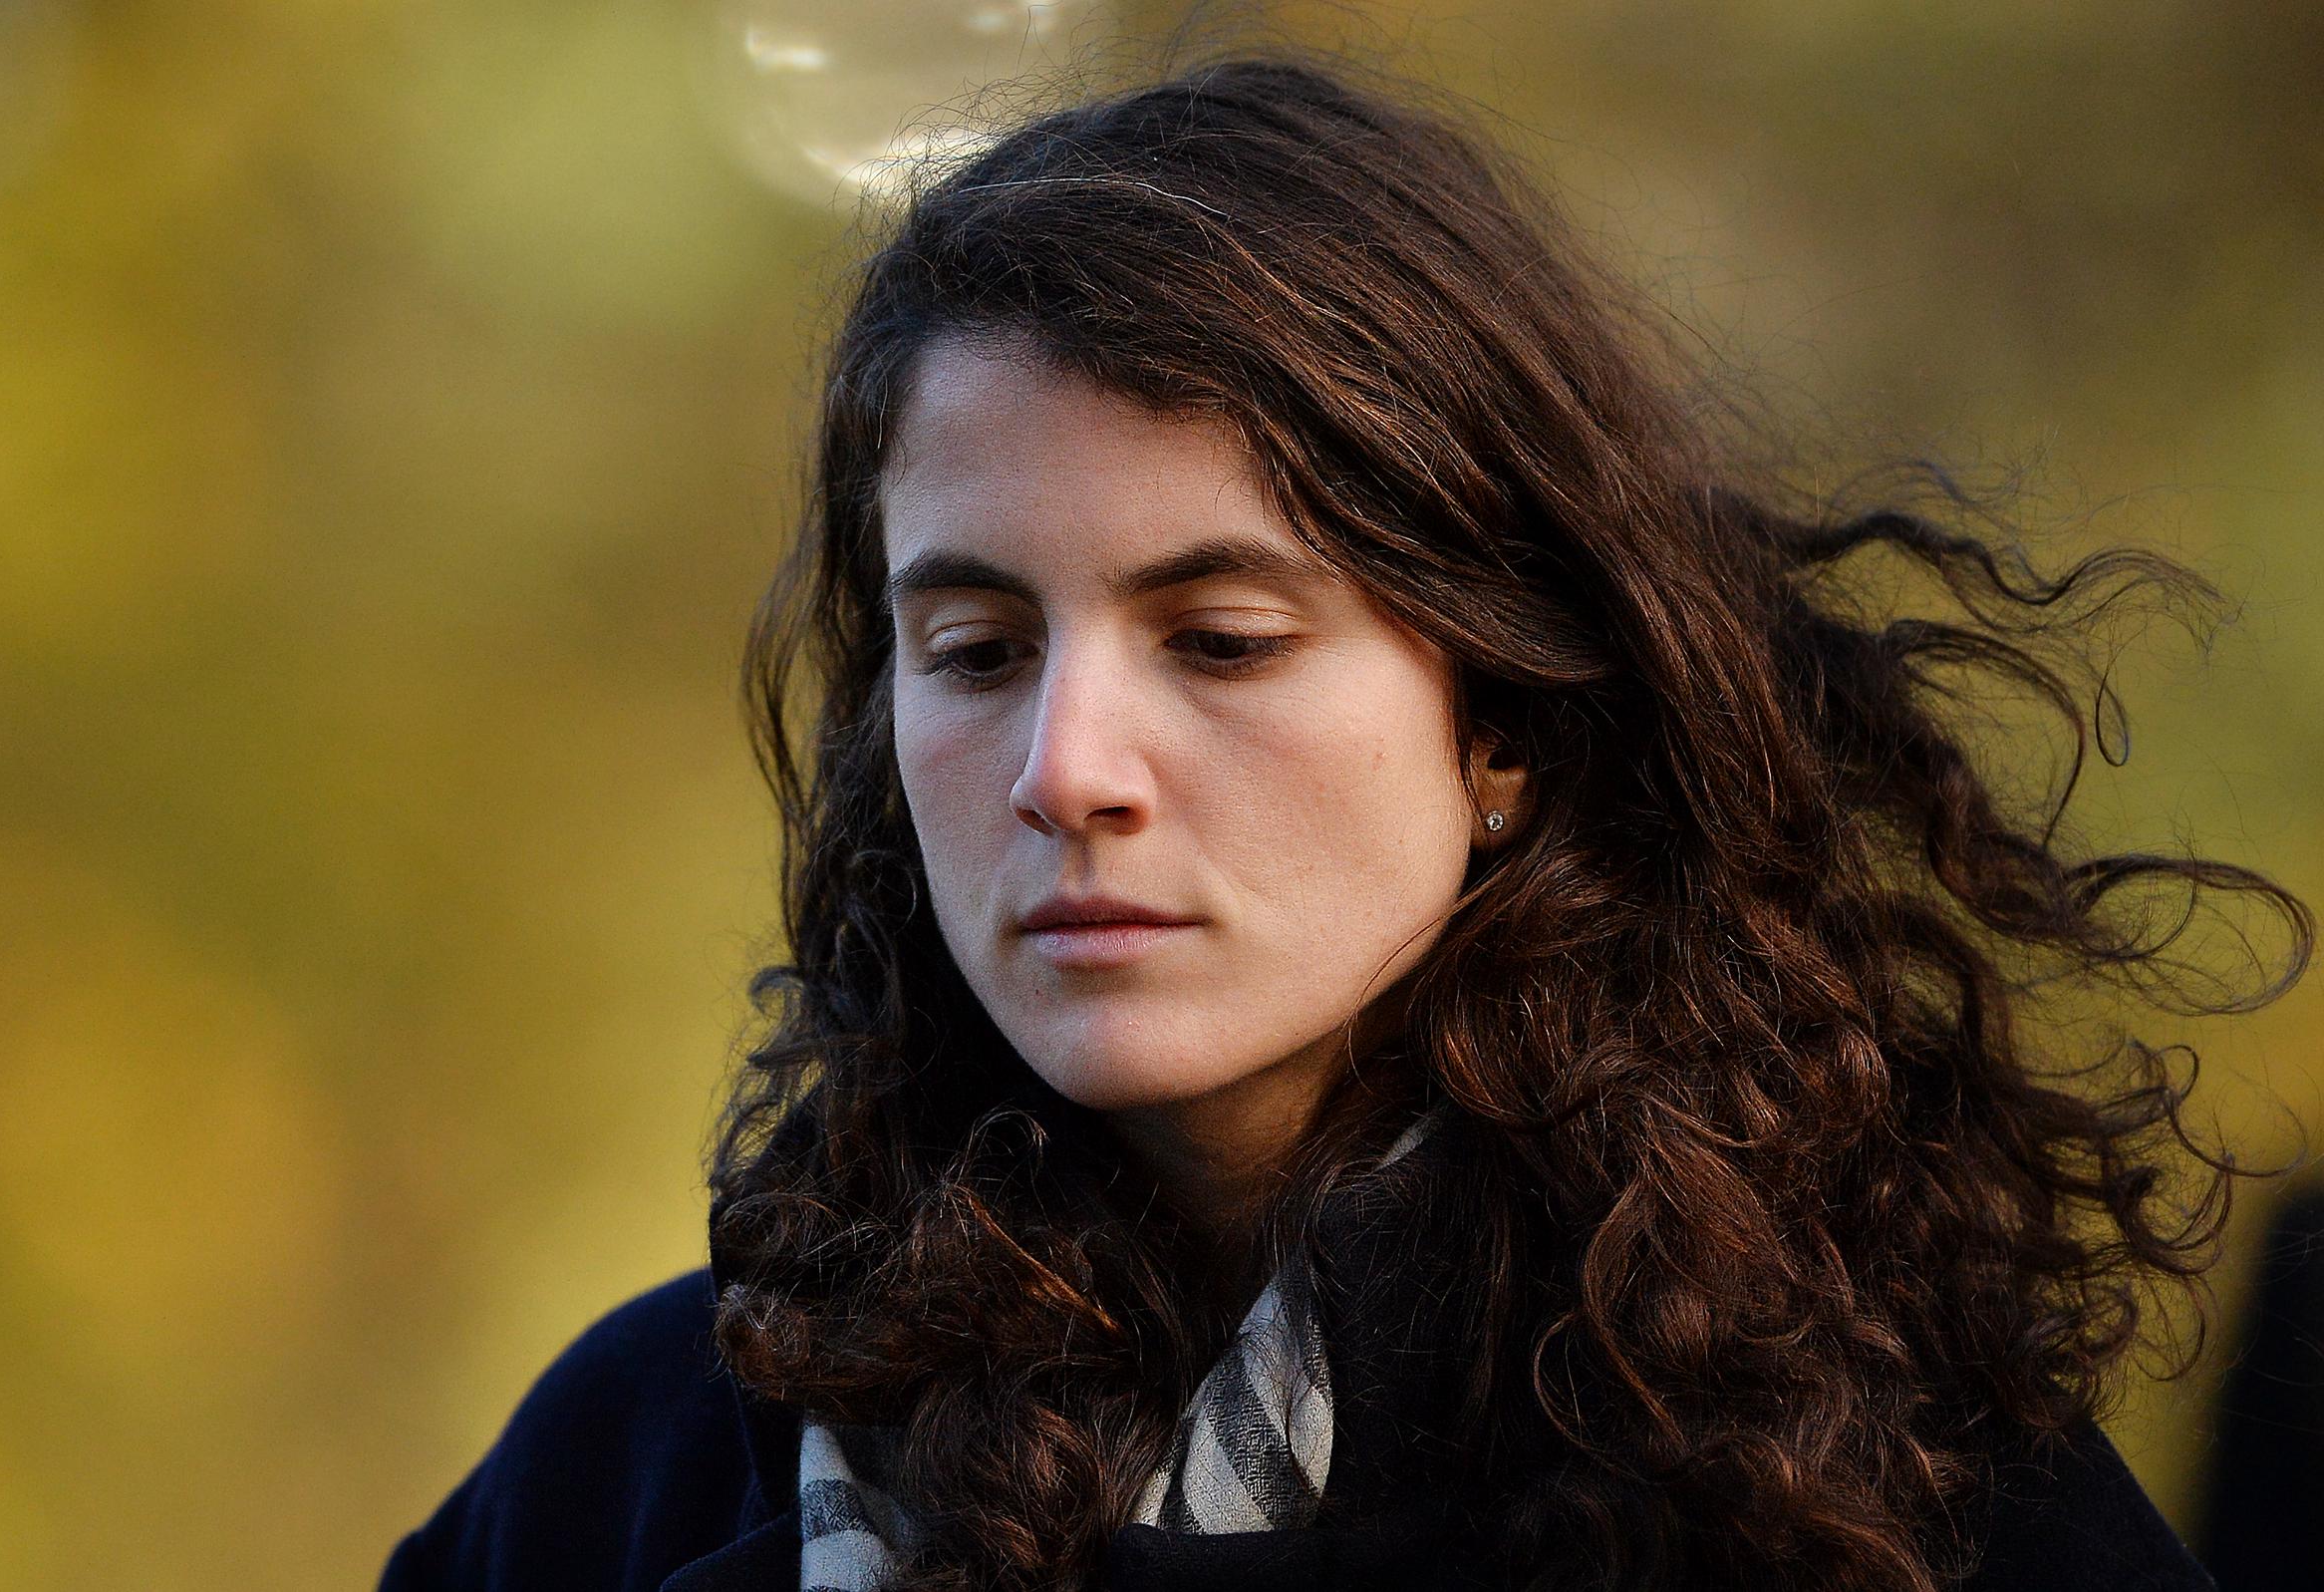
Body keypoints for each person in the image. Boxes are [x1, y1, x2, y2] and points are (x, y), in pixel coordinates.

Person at [377, 51, 2312, 1592]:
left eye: (1218, 639)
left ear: (1510, 727)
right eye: (972, 648)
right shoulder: (640, 1461)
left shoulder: (1856, 1482)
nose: (1070, 766)